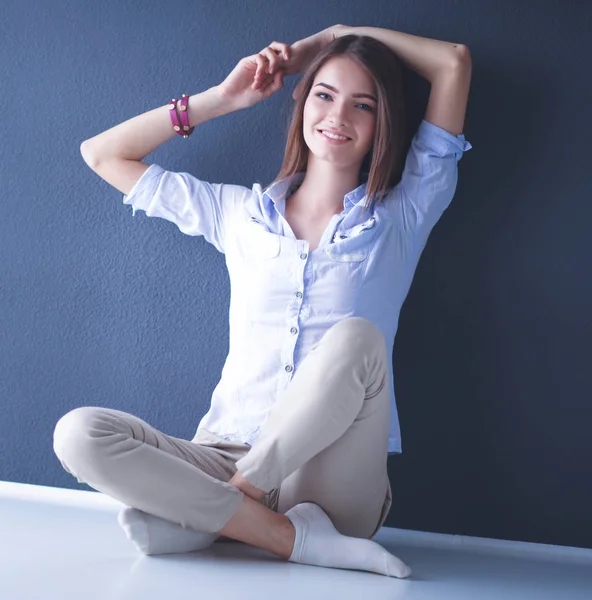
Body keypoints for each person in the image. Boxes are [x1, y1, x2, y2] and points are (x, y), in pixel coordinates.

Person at [53, 24, 472, 579]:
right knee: (79, 434)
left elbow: (453, 63)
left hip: (332, 476)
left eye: (361, 105)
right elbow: (102, 154)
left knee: (357, 337)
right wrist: (223, 98)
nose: (338, 117)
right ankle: (279, 535)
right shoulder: (237, 215)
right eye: (324, 94)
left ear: (381, 123)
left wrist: (334, 36)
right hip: (224, 451)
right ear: (300, 99)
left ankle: (215, 516)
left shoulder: (403, 214)